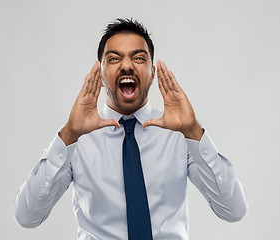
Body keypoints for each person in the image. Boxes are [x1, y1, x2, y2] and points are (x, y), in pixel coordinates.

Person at [14, 18, 247, 239]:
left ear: (152, 73)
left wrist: (193, 131)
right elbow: (27, 216)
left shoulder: (179, 135)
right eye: (114, 59)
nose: (126, 65)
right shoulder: (77, 138)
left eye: (138, 58)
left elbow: (233, 210)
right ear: (101, 73)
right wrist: (68, 136)